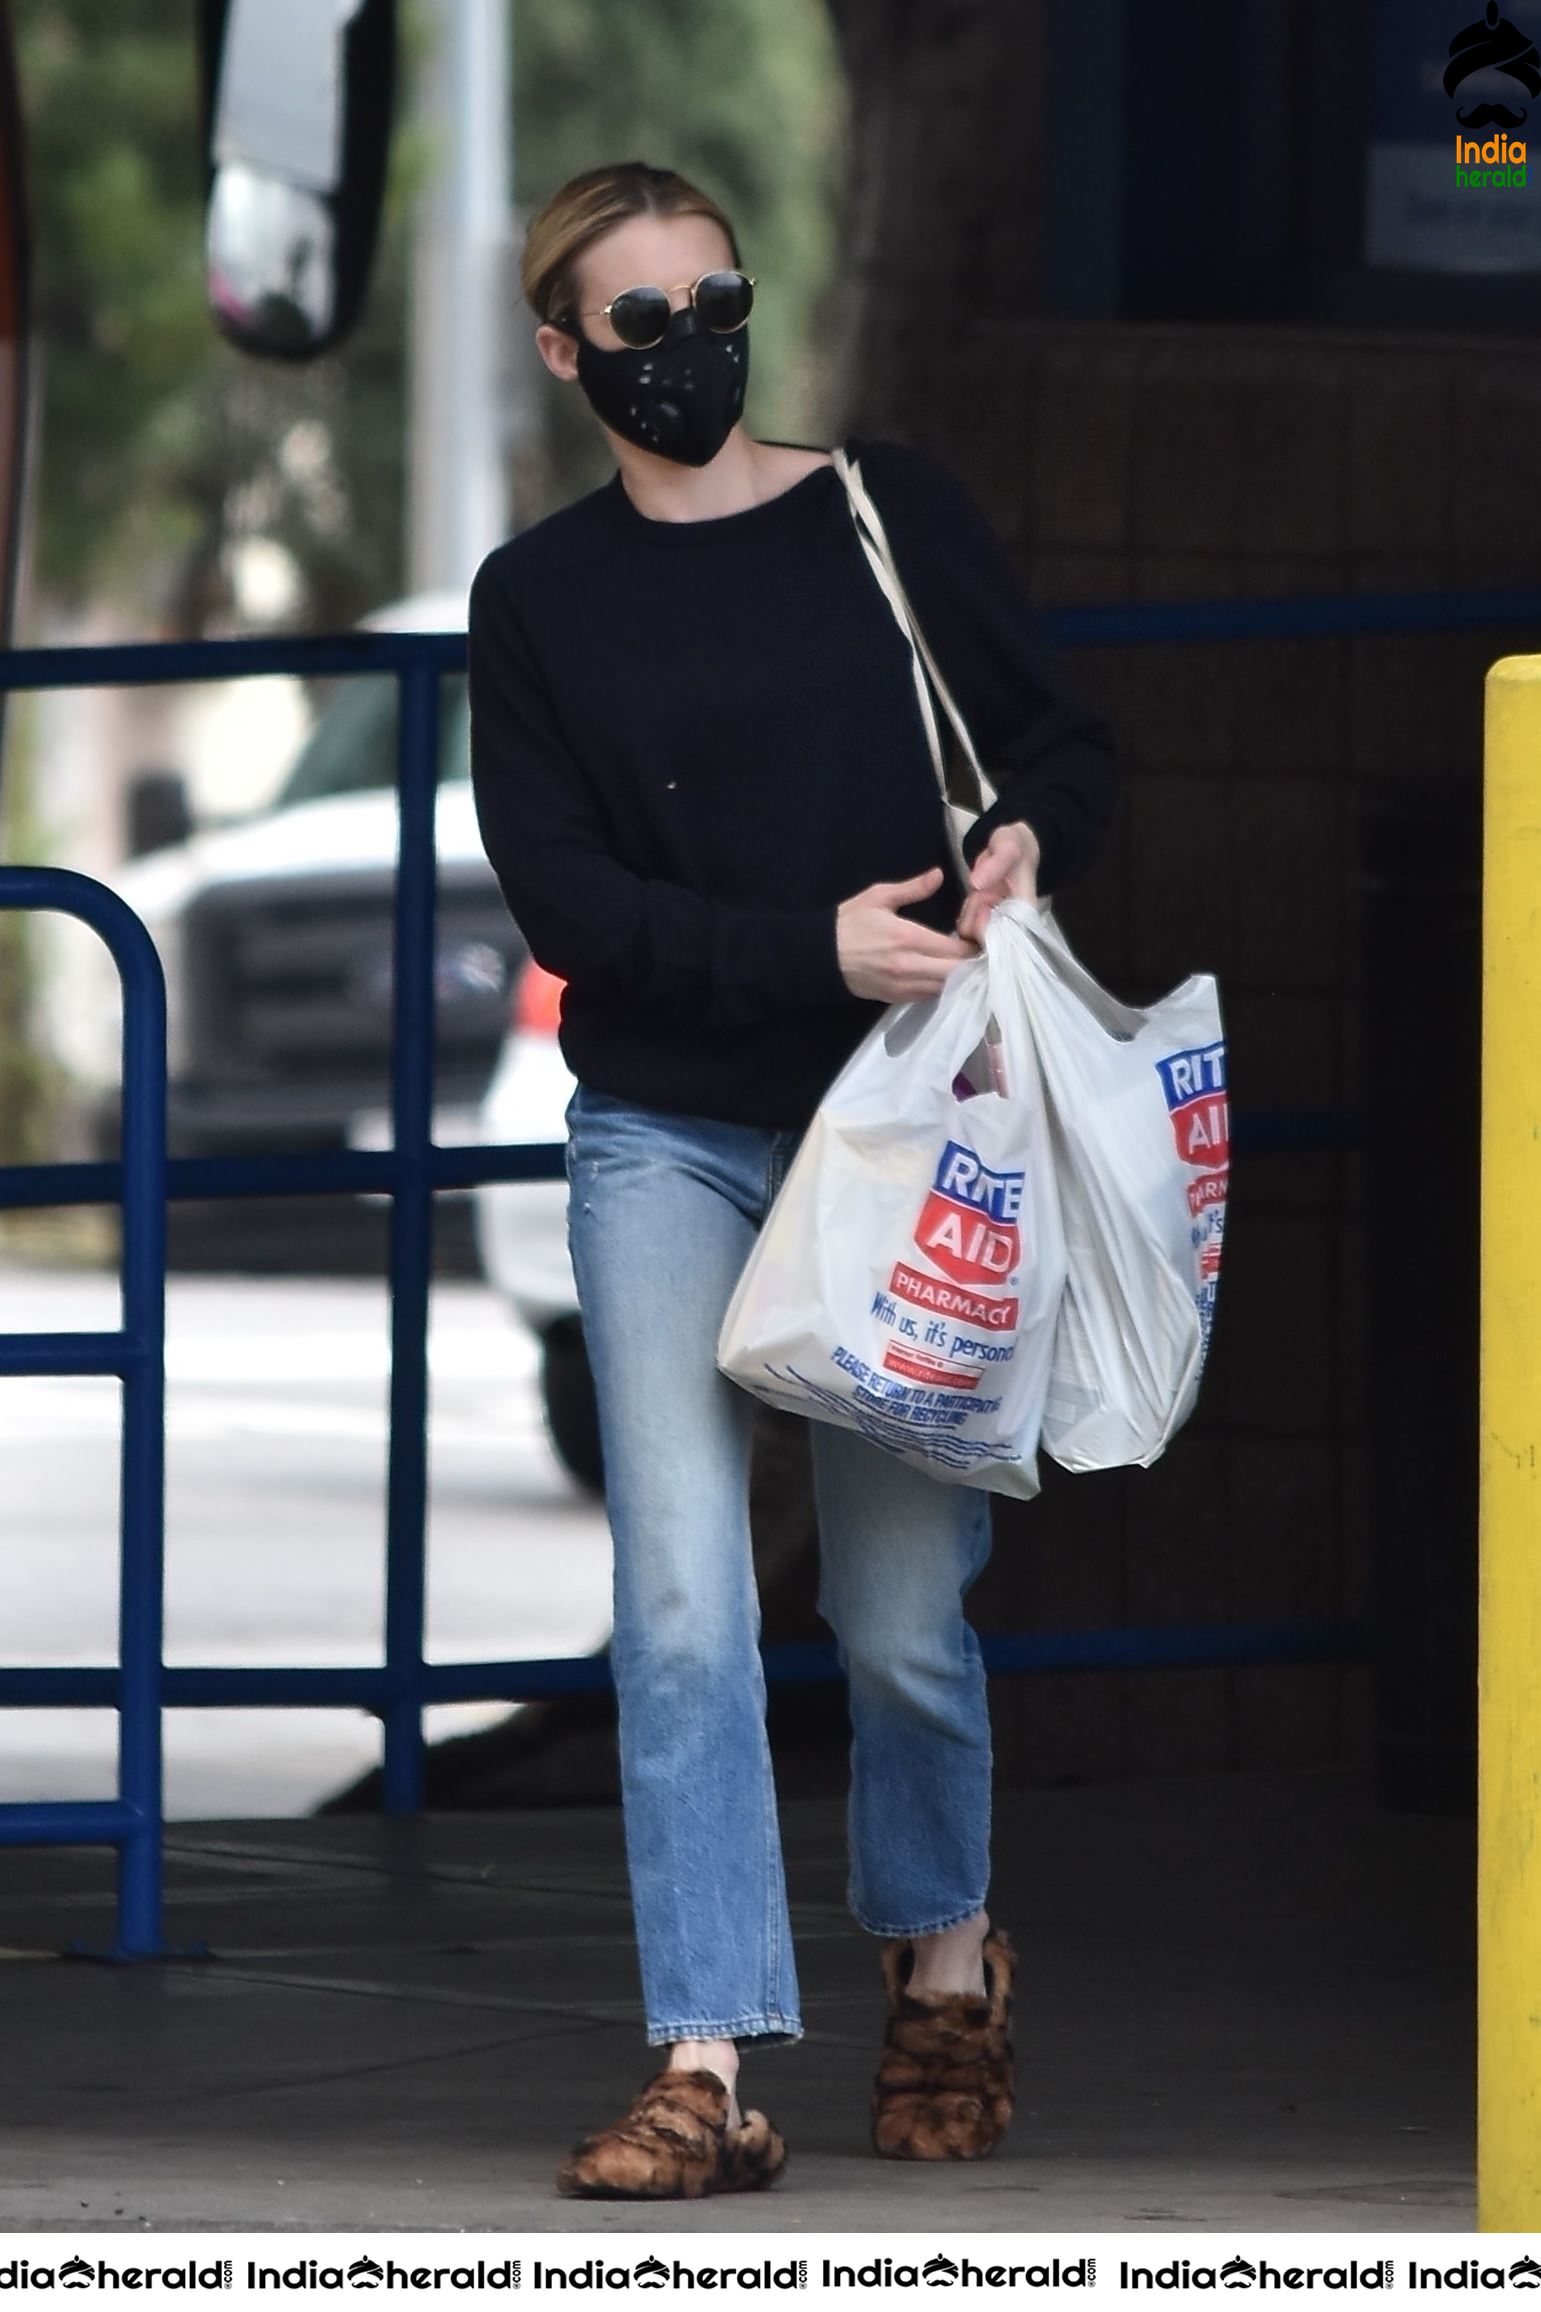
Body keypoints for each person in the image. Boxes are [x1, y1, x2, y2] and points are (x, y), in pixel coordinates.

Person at [467, 159, 1117, 2201]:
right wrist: (790, 949)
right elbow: (566, 895)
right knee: (678, 1604)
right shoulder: (540, 598)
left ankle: (947, 1962)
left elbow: (1061, 740)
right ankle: (708, 2058)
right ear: (565, 348)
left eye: (714, 302)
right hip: (669, 1124)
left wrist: (1018, 846)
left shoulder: (887, 512)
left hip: (908, 1125)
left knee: (905, 1615)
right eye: (637, 323)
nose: (688, 351)